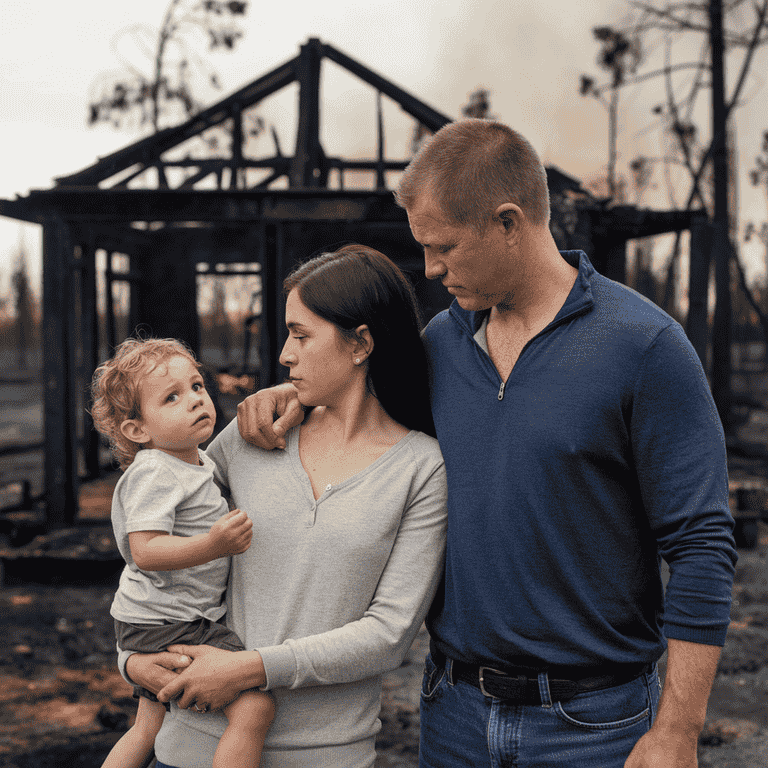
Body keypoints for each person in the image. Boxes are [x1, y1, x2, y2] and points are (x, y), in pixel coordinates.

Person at [235, 119, 738, 768]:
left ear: (509, 222)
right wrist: (297, 400)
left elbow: (702, 543)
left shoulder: (645, 349)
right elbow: (364, 416)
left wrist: (678, 730)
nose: (430, 268)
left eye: (442, 246)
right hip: (454, 715)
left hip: (594, 726)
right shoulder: (440, 345)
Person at [118, 245, 448, 768]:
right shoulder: (250, 437)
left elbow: (389, 634)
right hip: (190, 746)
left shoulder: (420, 468)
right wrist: (132, 659)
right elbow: (153, 562)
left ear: (360, 342)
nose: (284, 355)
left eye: (300, 334)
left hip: (327, 755)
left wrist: (248, 669)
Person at [90, 337, 275, 768]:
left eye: (196, 386)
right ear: (138, 431)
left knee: (147, 728)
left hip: (155, 619)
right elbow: (145, 550)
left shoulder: (197, 460)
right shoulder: (155, 470)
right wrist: (213, 545)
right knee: (255, 709)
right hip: (171, 623)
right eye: (171, 397)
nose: (194, 400)